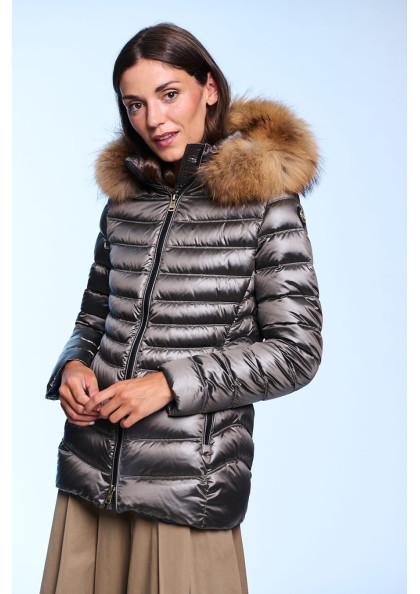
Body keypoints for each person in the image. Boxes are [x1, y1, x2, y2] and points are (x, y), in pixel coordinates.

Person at [40, 22, 323, 594]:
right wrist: (72, 367)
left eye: (170, 94)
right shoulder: (125, 202)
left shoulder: (266, 203)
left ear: (209, 88)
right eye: (135, 104)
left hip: (187, 487)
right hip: (91, 476)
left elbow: (297, 351)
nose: (154, 119)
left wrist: (168, 385)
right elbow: (93, 317)